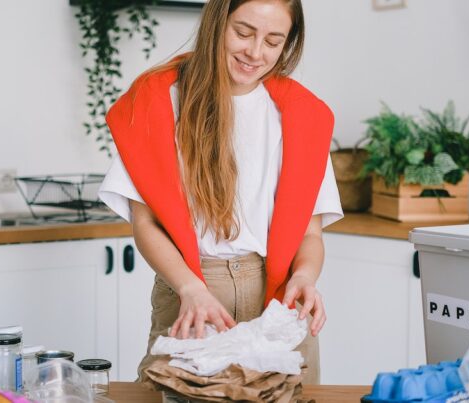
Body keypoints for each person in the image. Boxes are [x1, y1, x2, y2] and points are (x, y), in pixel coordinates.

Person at [98, 0, 342, 385]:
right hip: (192, 291)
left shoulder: (302, 115)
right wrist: (189, 288)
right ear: (217, 23)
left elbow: (310, 233)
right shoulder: (159, 99)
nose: (255, 52)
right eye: (243, 32)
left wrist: (306, 277)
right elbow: (144, 223)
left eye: (273, 41)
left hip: (278, 296)